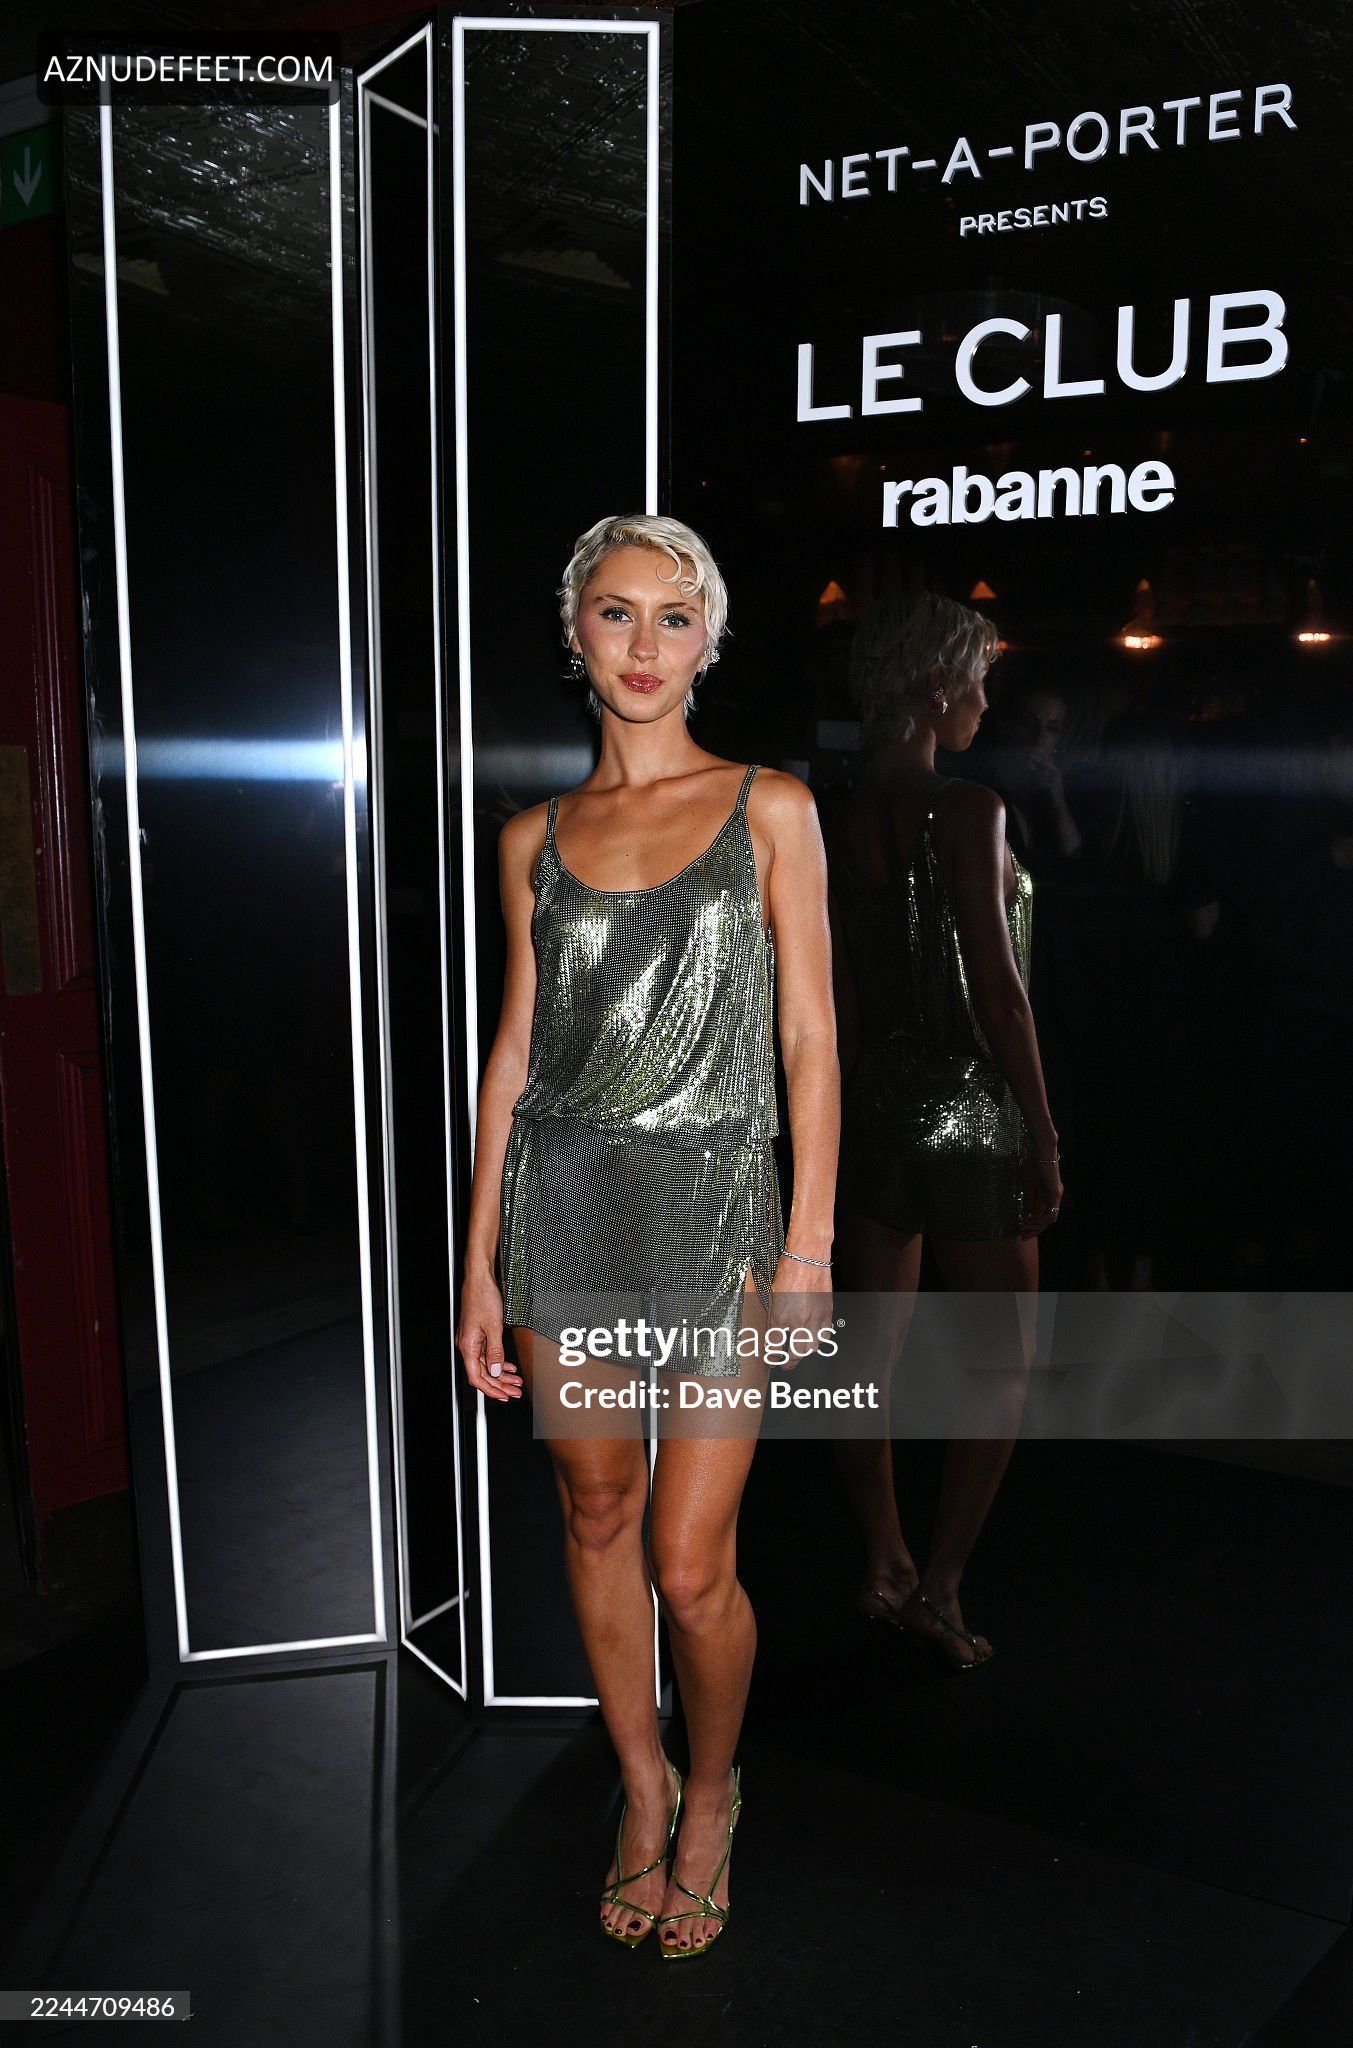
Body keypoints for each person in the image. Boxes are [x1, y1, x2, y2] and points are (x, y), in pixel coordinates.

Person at [455, 514, 839, 1956]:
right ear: (576, 631)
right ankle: (640, 1783)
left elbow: (809, 1039)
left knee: (690, 1560)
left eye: (674, 617)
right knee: (597, 1511)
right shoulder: (531, 839)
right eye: (616, 612)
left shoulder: (769, 806)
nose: (643, 644)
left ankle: (715, 1789)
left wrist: (808, 1248)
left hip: (718, 1208)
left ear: (709, 642)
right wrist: (479, 1257)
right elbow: (512, 1056)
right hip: (562, 1204)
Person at [825, 587, 1062, 1669]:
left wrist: (833, 1127)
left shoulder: (833, 813)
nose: (983, 700)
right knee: (1001, 1365)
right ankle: (943, 1586)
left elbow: (837, 997)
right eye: (975, 678)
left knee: (863, 1360)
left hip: (874, 1107)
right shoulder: (968, 808)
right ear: (932, 686)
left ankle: (883, 1559)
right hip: (971, 1110)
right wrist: (1043, 1134)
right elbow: (1000, 994)